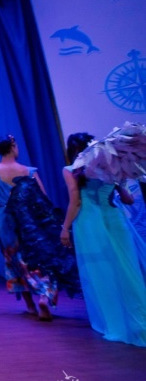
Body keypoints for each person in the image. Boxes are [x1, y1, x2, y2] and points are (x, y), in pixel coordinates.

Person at [61, 132, 146, 347]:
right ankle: (138, 318)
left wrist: (65, 228)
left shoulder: (71, 170)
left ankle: (114, 321)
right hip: (115, 219)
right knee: (127, 270)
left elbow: (76, 202)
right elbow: (128, 199)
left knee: (100, 272)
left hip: (89, 223)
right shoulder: (109, 166)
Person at [0, 134, 63, 321]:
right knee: (39, 258)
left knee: (15, 260)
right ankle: (44, 295)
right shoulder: (29, 171)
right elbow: (43, 197)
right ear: (12, 147)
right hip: (29, 220)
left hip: (6, 220)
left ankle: (30, 306)